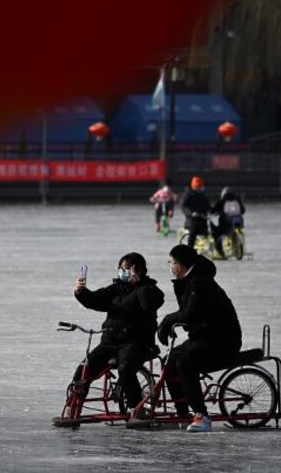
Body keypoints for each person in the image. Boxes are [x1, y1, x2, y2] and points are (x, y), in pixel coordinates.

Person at [157, 244, 242, 433]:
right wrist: (169, 324)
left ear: (180, 265)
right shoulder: (190, 281)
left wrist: (167, 321)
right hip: (204, 337)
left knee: (185, 363)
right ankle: (182, 412)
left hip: (222, 341)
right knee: (170, 360)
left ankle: (201, 415)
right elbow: (188, 314)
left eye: (171, 263)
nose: (170, 267)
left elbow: (190, 314)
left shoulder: (199, 283)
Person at [72, 252, 165, 415]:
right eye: (121, 269)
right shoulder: (116, 289)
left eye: (127, 269)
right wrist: (81, 292)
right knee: (84, 369)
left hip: (136, 342)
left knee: (125, 369)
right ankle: (74, 405)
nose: (123, 272)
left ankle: (136, 408)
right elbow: (96, 300)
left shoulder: (150, 289)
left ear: (140, 271)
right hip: (110, 342)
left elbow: (149, 306)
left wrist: (139, 286)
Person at [179, 176, 215, 255]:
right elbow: (183, 206)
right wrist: (191, 213)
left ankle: (215, 249)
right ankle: (189, 251)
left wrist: (214, 211)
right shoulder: (187, 194)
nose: (199, 188)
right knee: (193, 232)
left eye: (200, 186)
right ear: (193, 186)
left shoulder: (203, 195)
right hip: (191, 220)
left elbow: (208, 206)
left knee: (210, 232)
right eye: (197, 187)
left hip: (202, 218)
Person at [211, 187, 246, 254]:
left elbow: (214, 211)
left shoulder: (222, 201)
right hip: (239, 222)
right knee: (235, 232)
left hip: (226, 224)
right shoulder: (237, 200)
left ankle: (220, 251)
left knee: (217, 234)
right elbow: (243, 210)